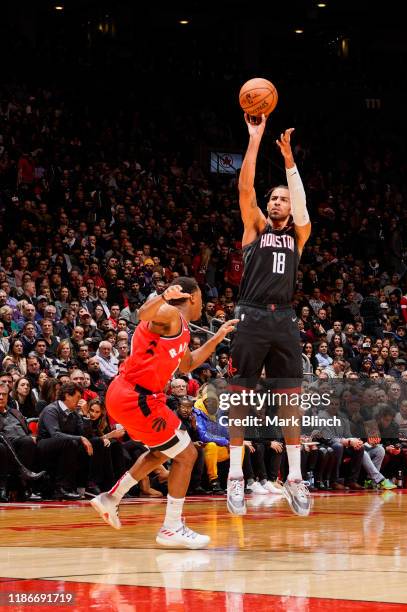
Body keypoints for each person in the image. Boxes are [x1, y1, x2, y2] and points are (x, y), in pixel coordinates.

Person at [90, 278, 236, 549]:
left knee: (162, 451)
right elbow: (143, 314)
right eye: (202, 297)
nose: (203, 304)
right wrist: (162, 296)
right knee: (187, 454)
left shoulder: (180, 330)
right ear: (192, 297)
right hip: (137, 396)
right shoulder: (170, 313)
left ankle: (110, 498)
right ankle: (171, 527)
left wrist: (216, 339)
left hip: (135, 395)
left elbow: (188, 363)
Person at [227, 114, 312, 516]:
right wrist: (255, 138)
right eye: (272, 198)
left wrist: (290, 162)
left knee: (290, 398)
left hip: (285, 319)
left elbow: (302, 202)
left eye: (282, 198)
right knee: (240, 396)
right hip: (252, 315)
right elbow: (245, 186)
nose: (276, 201)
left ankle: (294, 477)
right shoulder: (256, 227)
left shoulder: (299, 234)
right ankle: (235, 477)